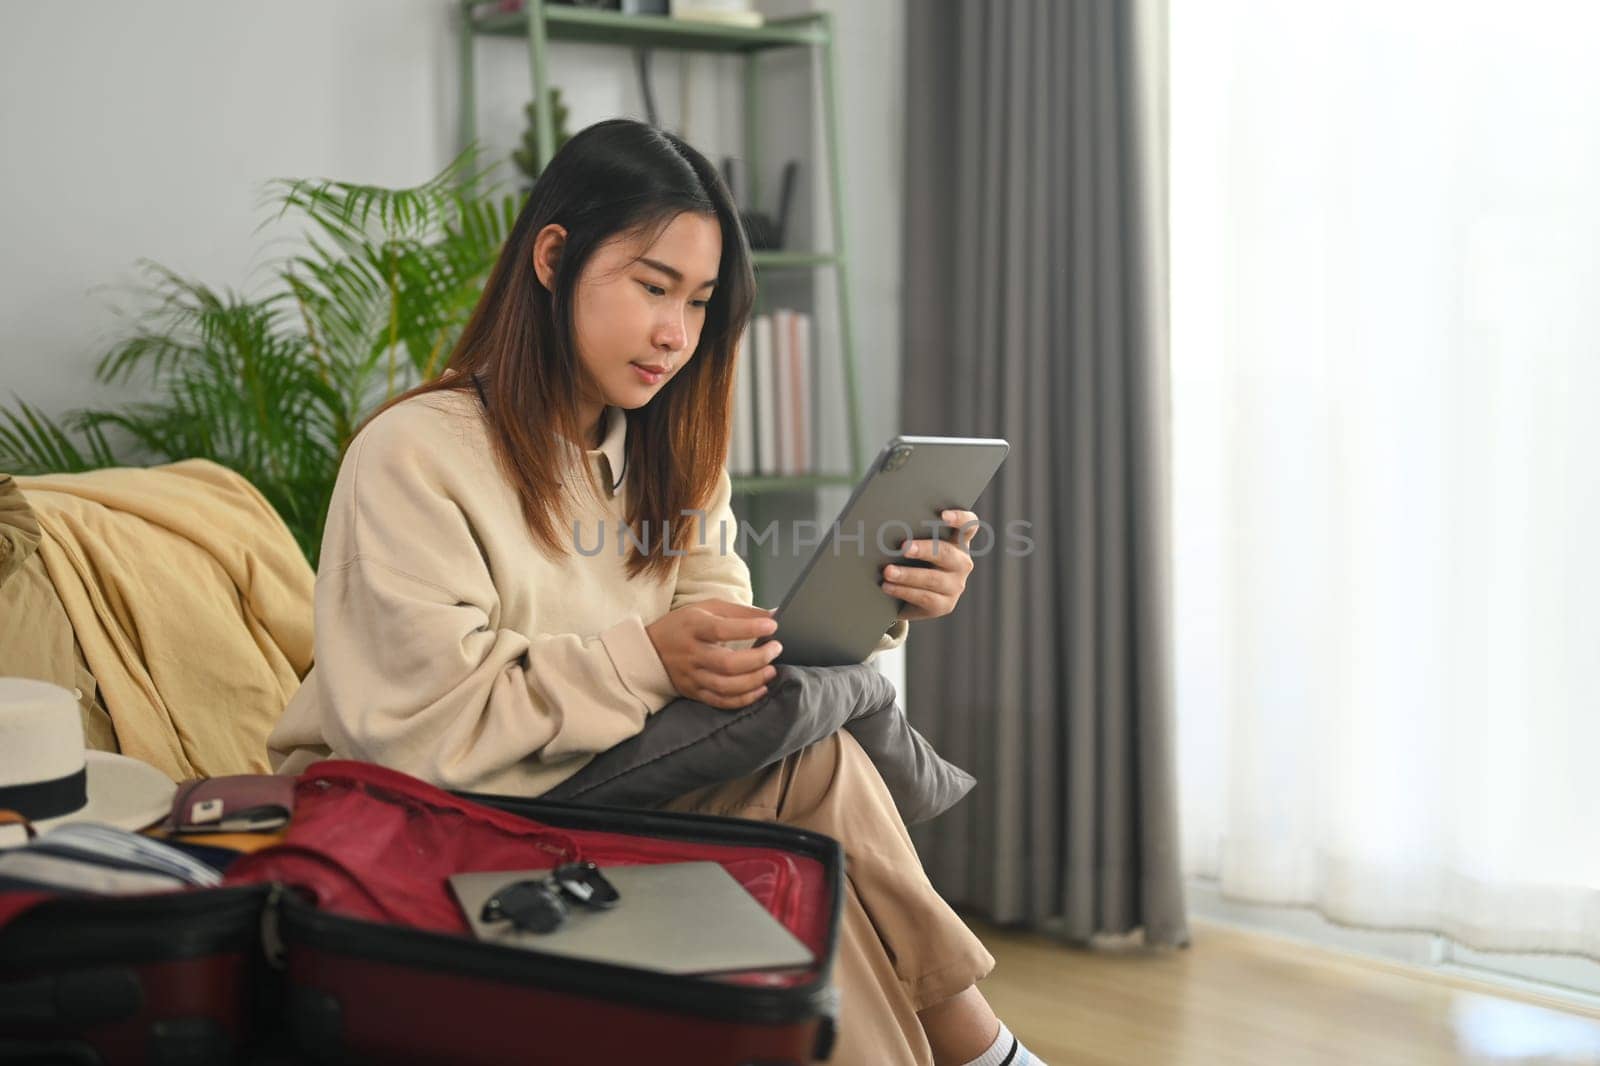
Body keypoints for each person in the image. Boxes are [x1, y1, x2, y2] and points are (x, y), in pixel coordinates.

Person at [268, 118, 1042, 1066]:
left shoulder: (671, 452)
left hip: (592, 788)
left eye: (702, 303)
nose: (676, 334)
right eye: (652, 287)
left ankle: (973, 1050)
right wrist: (647, 658)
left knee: (809, 764)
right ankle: (981, 1048)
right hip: (437, 811)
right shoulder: (415, 454)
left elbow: (727, 650)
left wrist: (881, 605)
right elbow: (422, 732)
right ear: (554, 258)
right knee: (809, 769)